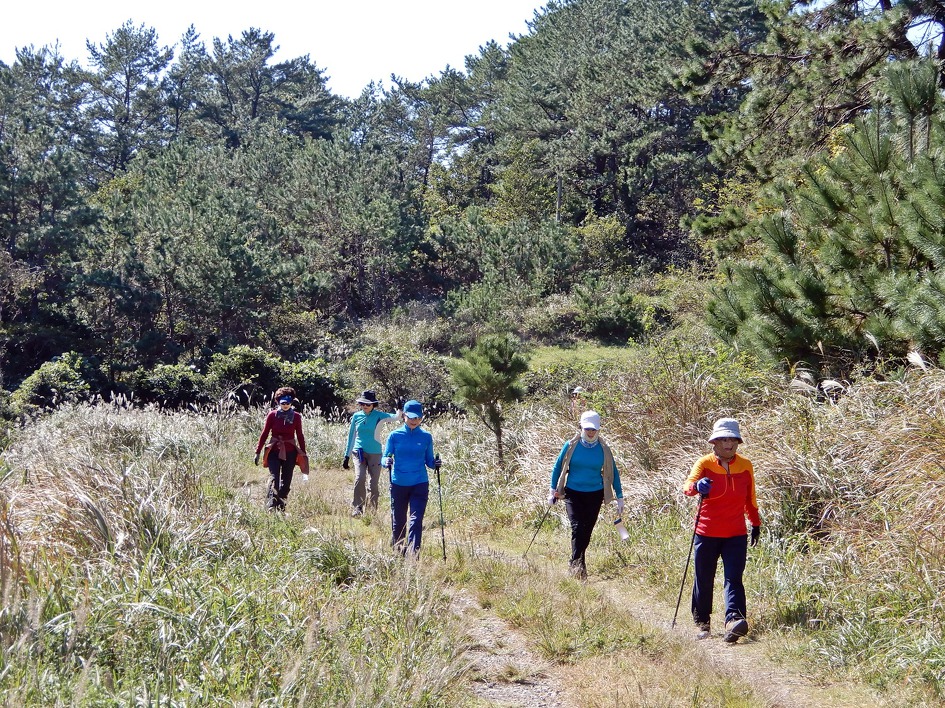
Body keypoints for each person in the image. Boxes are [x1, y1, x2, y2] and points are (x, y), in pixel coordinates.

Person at [682, 417, 761, 643]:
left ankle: (734, 621)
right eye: (724, 440)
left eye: (733, 440)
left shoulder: (745, 465)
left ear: (738, 442)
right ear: (714, 442)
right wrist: (697, 486)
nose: (729, 444)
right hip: (706, 532)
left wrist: (755, 523)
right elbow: (687, 487)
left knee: (734, 578)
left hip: (736, 533)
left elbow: (750, 498)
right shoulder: (704, 463)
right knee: (704, 577)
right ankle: (702, 622)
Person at [549, 410, 624, 580]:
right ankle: (576, 565)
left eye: (594, 429)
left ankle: (578, 564)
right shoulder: (570, 446)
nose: (591, 432)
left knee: (587, 531)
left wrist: (619, 497)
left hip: (595, 495)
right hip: (573, 493)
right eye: (588, 429)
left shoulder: (604, 449)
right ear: (581, 427)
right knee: (577, 527)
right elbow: (558, 467)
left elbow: (613, 473)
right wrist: (552, 490)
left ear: (598, 429)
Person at [381, 399, 441, 555]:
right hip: (398, 483)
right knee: (399, 521)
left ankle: (413, 556)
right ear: (404, 416)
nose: (415, 420)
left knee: (416, 520)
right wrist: (386, 461)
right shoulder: (394, 436)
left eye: (418, 417)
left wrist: (436, 463)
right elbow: (385, 457)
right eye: (411, 417)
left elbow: (429, 461)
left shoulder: (426, 437)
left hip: (419, 483)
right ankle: (398, 551)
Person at [343, 389, 400, 517]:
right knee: (360, 478)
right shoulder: (356, 416)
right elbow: (351, 436)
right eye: (362, 403)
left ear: (373, 404)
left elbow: (396, 417)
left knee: (373, 483)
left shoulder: (379, 416)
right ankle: (358, 507)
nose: (364, 406)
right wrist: (346, 456)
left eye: (367, 404)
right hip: (359, 452)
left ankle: (372, 511)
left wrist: (400, 408)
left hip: (375, 453)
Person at [254, 387, 307, 512]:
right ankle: (271, 506)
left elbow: (300, 435)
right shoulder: (272, 415)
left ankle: (281, 506)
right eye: (283, 403)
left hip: (290, 452)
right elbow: (264, 433)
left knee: (286, 482)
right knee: (274, 479)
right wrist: (258, 452)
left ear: (291, 402)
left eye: (288, 403)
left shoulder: (296, 417)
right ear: (278, 402)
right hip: (273, 451)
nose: (286, 405)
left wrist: (303, 453)